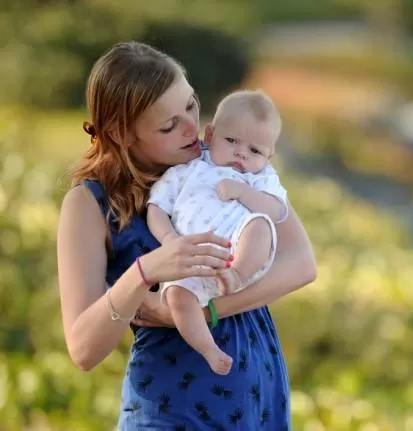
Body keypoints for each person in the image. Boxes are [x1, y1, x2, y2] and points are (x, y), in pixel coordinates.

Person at [57, 41, 316, 430]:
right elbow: (83, 349)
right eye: (168, 125)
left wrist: (201, 311)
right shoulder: (89, 204)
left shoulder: (225, 155)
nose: (193, 129)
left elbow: (301, 264)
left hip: (256, 392)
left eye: (191, 105)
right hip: (172, 403)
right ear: (121, 133)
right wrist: (142, 273)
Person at [147, 89, 289, 376]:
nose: (241, 153)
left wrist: (243, 191)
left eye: (255, 151)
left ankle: (235, 276)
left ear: (269, 156)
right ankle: (208, 349)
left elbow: (276, 211)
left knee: (260, 225)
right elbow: (156, 208)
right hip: (189, 258)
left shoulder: (260, 177)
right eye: (232, 140)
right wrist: (169, 240)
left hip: (238, 253)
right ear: (210, 135)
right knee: (177, 297)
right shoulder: (187, 170)